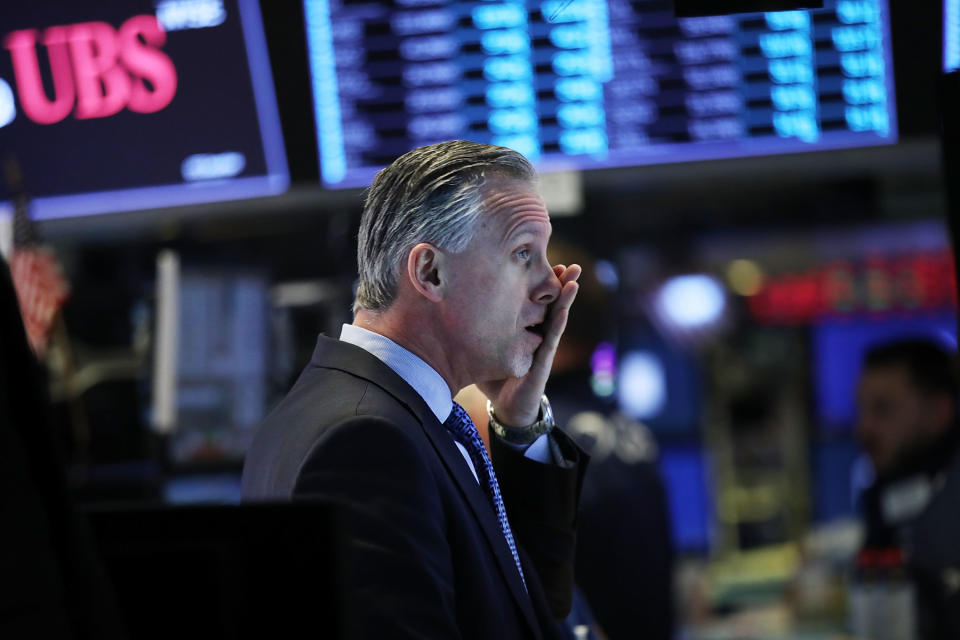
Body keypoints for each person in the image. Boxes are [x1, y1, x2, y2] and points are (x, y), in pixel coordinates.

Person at [242, 140, 588, 639]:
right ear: (430, 272)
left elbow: (537, 606)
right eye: (522, 254)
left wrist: (519, 425)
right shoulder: (365, 440)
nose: (549, 285)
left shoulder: (374, 412)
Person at [855, 337, 960, 638]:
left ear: (939, 412)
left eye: (883, 410)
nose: (864, 428)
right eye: (861, 409)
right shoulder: (885, 493)